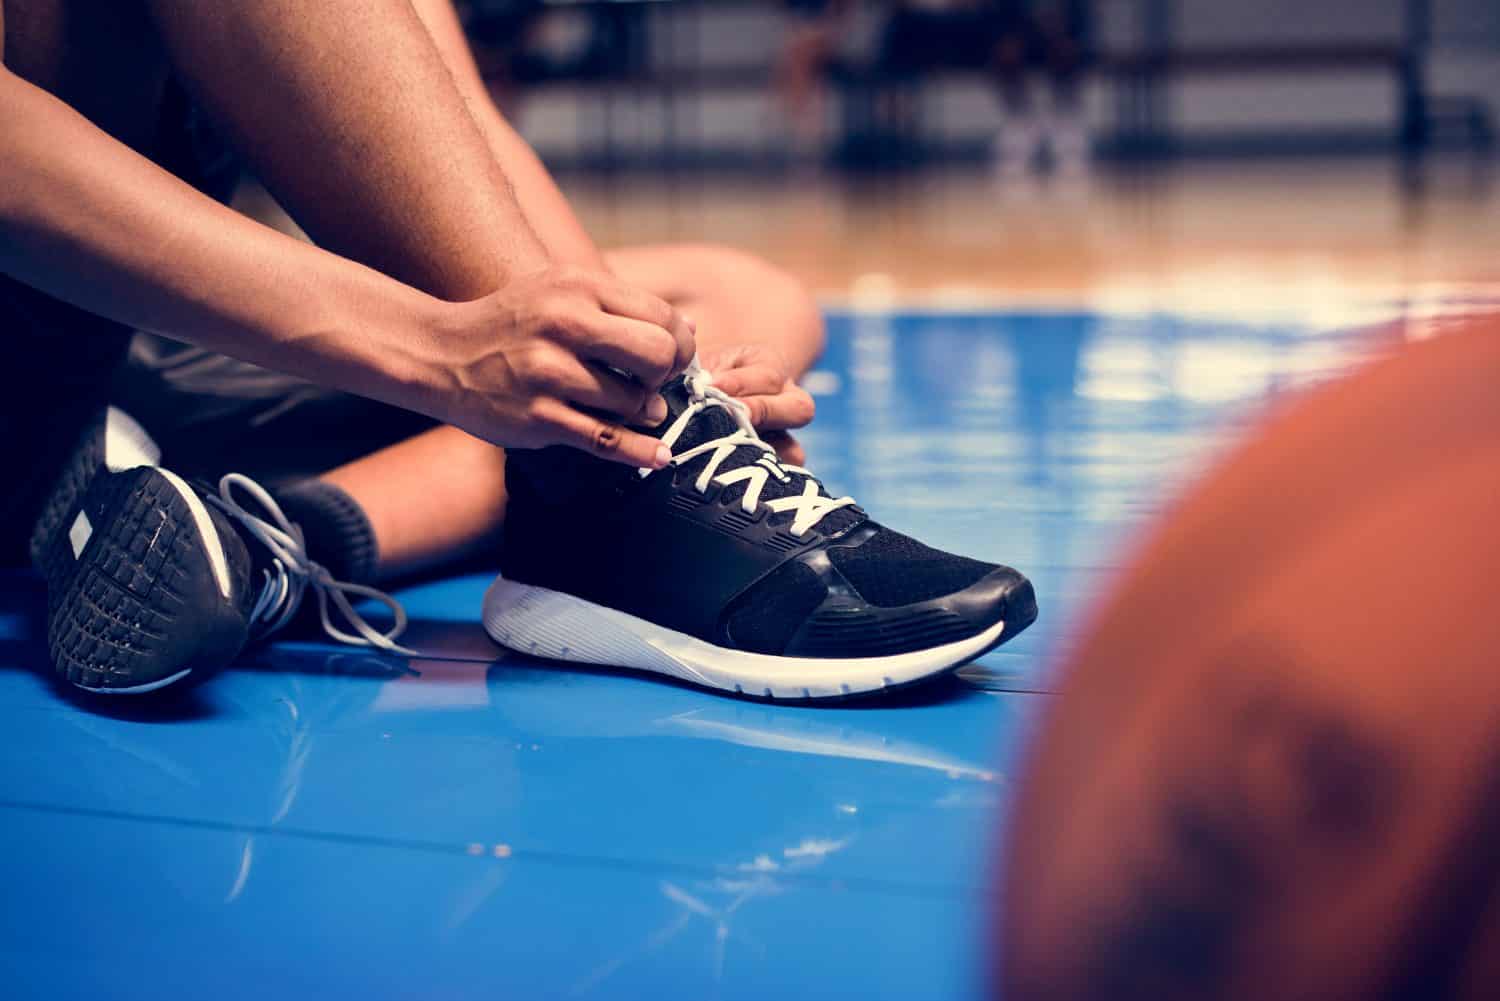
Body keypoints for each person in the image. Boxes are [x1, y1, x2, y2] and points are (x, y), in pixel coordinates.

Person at [0, 0, 1036, 700]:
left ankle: (278, 537)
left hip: (111, 357)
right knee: (541, 372)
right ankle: (588, 505)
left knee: (741, 298)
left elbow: (461, 137)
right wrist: (434, 348)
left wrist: (648, 381)